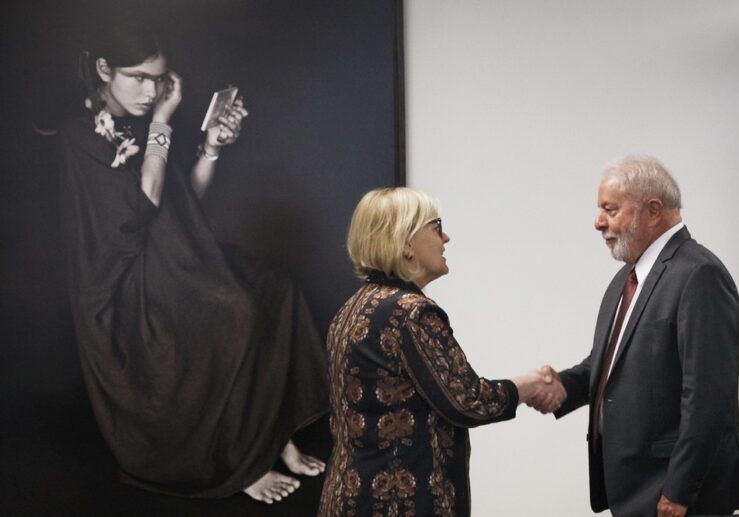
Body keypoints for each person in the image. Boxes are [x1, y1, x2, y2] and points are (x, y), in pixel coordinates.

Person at [57, 19, 328, 504]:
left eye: (158, 79)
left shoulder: (141, 123)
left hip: (175, 255)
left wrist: (212, 148)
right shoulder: (82, 138)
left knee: (275, 288)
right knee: (235, 312)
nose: (150, 91)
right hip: (124, 284)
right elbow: (144, 204)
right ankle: (244, 462)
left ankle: (273, 434)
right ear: (103, 69)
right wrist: (163, 121)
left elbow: (184, 206)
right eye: (138, 78)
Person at [531, 157, 739, 516]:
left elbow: (709, 397)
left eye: (610, 209)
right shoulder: (625, 279)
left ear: (653, 211)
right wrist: (563, 386)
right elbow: (612, 364)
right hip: (635, 490)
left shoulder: (700, 274)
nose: (598, 222)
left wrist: (679, 492)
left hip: (677, 494)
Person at [318, 187, 562, 516]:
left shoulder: (351, 309)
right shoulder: (410, 312)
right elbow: (468, 401)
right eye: (436, 227)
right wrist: (530, 385)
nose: (446, 238)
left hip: (345, 499)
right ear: (406, 242)